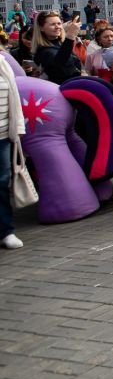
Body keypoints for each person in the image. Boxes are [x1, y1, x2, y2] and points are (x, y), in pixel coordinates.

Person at [0, 53, 27, 249]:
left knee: (2, 181)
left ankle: (6, 231)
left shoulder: (2, 63)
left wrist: (18, 128)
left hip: (2, 134)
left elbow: (14, 96)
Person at [31, 10, 84, 84]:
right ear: (41, 28)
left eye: (59, 23)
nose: (57, 27)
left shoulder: (61, 44)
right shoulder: (43, 50)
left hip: (76, 83)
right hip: (62, 89)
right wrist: (70, 36)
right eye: (52, 24)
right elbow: (59, 62)